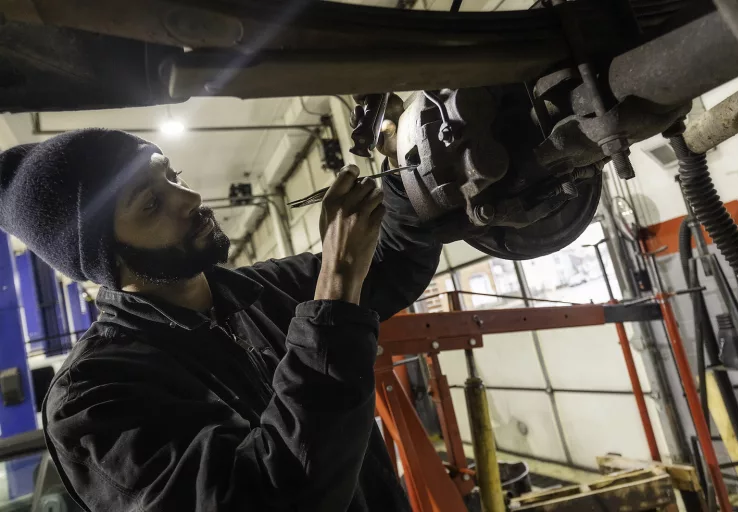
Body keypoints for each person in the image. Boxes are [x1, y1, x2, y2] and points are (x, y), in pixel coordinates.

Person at [0, 111, 440, 511]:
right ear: (106, 259)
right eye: (151, 203)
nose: (187, 197)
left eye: (172, 174)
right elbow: (271, 496)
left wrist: (406, 159)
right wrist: (337, 286)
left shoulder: (263, 289)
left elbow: (394, 262)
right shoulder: (92, 399)